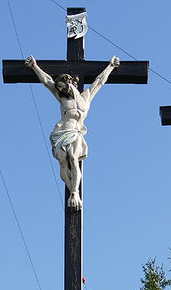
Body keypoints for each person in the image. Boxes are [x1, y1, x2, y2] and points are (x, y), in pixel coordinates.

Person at [25, 55, 120, 209]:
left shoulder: (86, 98)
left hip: (75, 132)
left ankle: (75, 192)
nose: (61, 88)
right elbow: (47, 82)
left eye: (64, 85)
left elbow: (100, 81)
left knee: (74, 159)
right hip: (62, 131)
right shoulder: (63, 99)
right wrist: (35, 67)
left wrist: (111, 66)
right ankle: (72, 190)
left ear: (73, 83)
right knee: (63, 161)